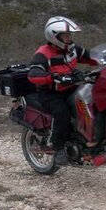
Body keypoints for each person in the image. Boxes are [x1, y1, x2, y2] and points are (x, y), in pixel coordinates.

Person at [28, 16, 97, 166]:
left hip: (71, 87)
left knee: (92, 101)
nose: (69, 37)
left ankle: (88, 138)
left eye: (69, 35)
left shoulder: (72, 49)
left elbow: (90, 57)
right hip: (50, 93)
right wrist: (53, 78)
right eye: (65, 35)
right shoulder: (43, 53)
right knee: (62, 113)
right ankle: (58, 147)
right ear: (54, 36)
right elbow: (33, 75)